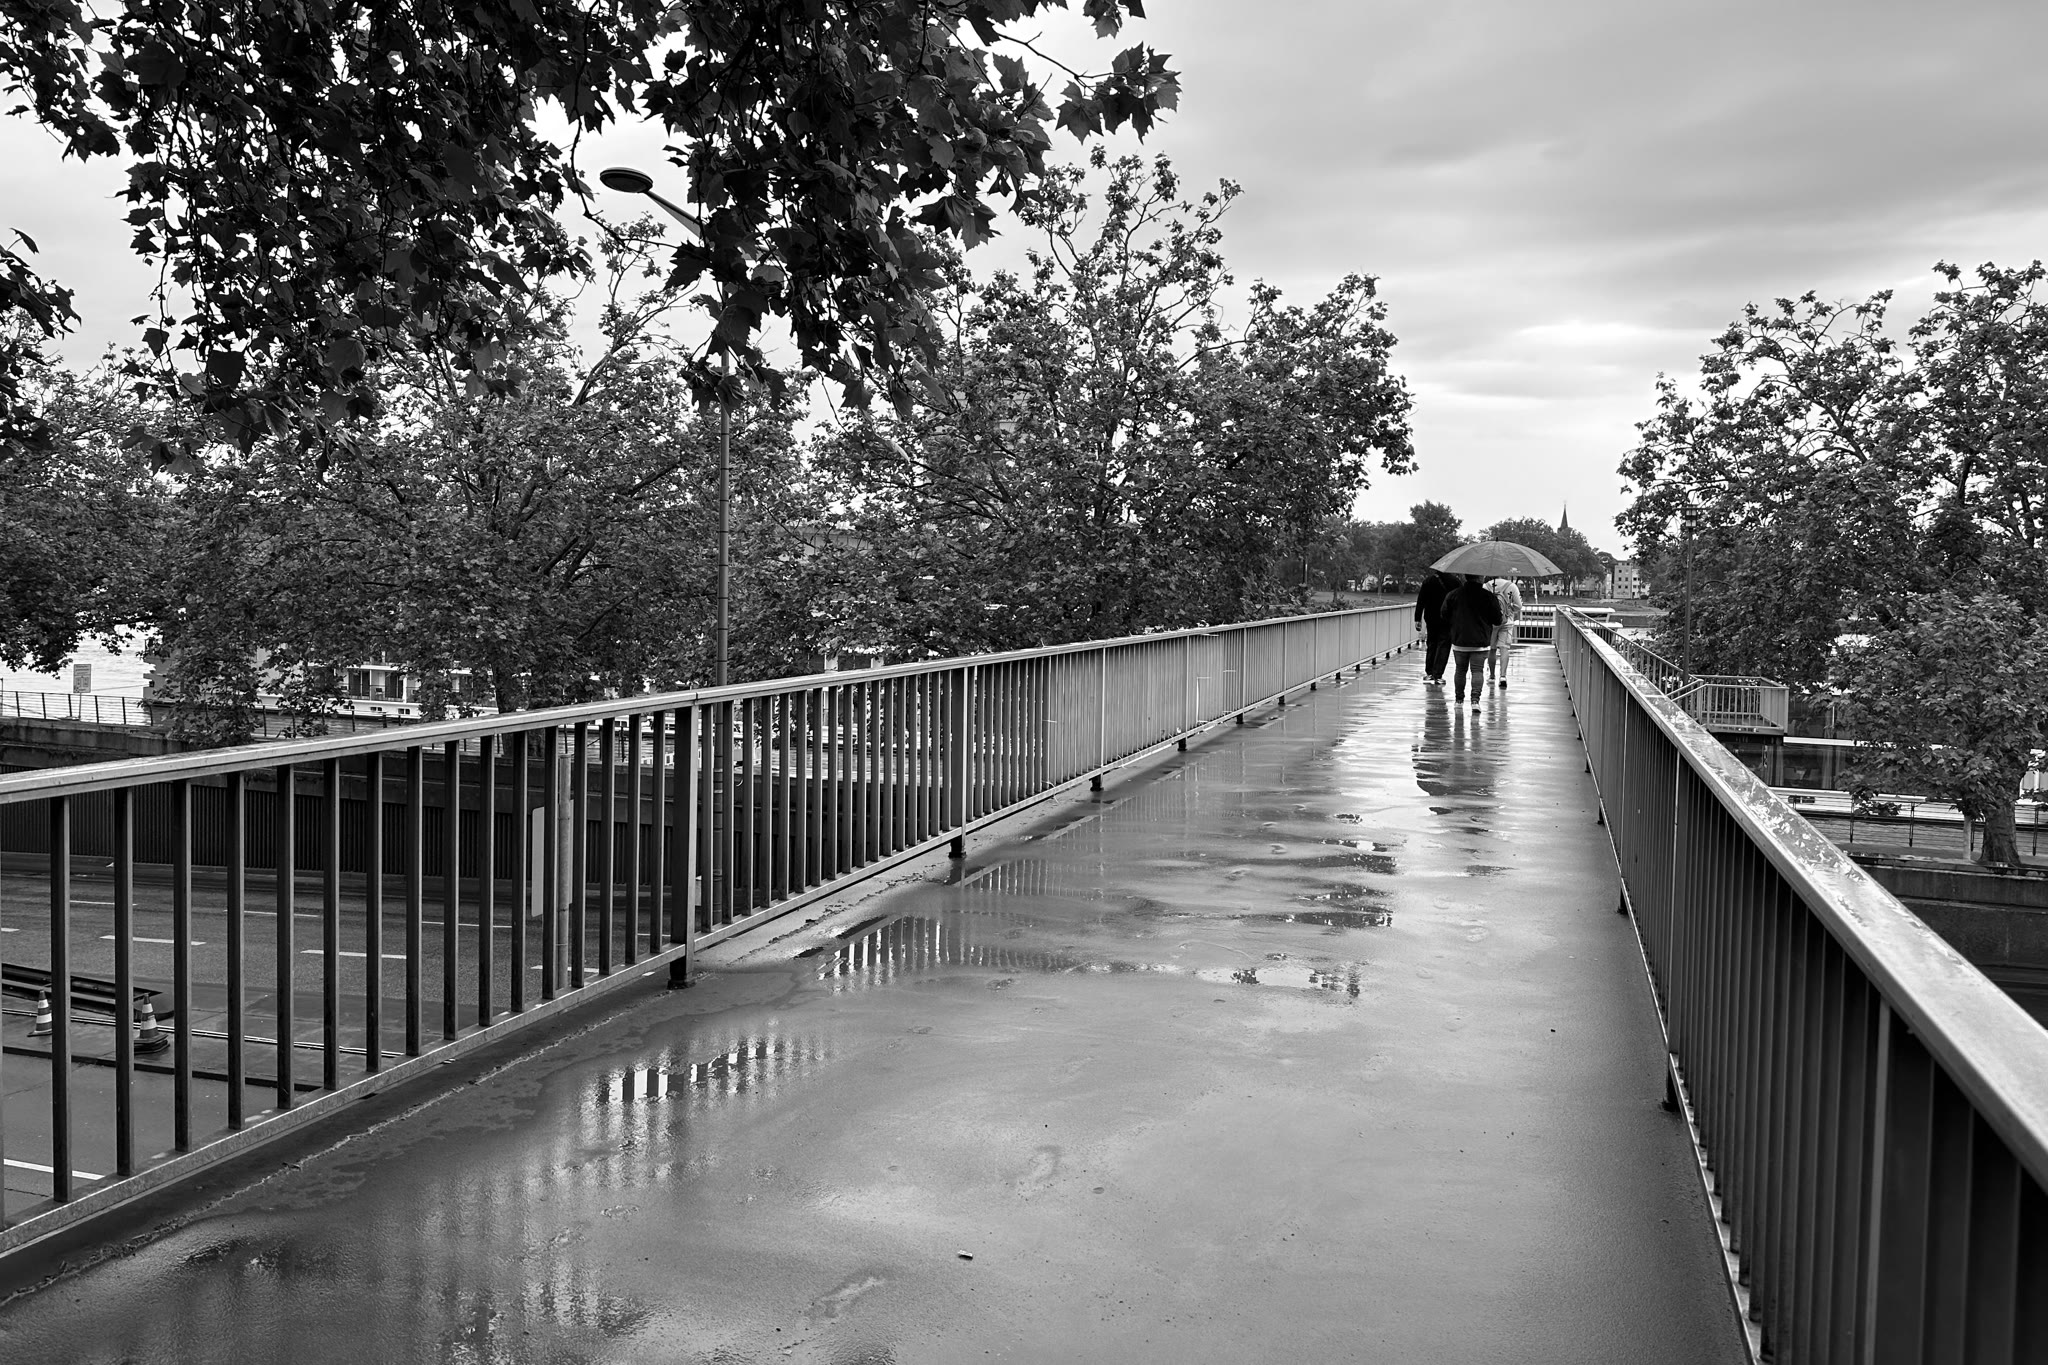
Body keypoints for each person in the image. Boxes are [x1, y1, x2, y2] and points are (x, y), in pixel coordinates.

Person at [1444, 574, 1503, 709]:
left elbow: (1444, 614)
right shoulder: (1488, 596)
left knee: (1460, 670)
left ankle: (1459, 700)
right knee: (1477, 671)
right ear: (1480, 578)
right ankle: (1475, 701)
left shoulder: (1454, 595)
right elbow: (1497, 620)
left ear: (1466, 577)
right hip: (1480, 641)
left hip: (1459, 639)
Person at [1413, 570, 1454, 685]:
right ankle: (1438, 674)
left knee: (1431, 644)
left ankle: (1429, 672)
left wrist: (1417, 618)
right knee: (1444, 645)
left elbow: (1421, 600)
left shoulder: (1428, 581)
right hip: (1447, 619)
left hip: (1431, 618)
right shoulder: (1454, 581)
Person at [1484, 575, 1523, 689]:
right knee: (1504, 648)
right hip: (1507, 620)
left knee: (1492, 649)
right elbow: (1519, 606)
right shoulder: (1511, 586)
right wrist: (1509, 609)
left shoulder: (1485, 587)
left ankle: (1492, 676)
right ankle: (1503, 677)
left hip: (1491, 622)